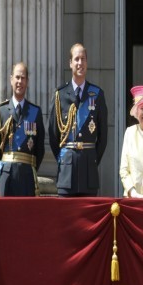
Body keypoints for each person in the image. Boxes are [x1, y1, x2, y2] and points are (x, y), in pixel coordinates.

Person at [48, 43, 108, 197]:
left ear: (87, 63)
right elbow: (54, 135)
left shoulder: (97, 94)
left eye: (83, 59)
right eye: (76, 59)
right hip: (66, 173)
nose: (80, 63)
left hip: (89, 172)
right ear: (70, 63)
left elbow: (103, 137)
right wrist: (64, 160)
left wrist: (92, 160)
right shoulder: (60, 95)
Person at [0, 62, 45, 196]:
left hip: (27, 176)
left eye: (23, 78)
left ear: (27, 81)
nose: (19, 81)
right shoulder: (1, 111)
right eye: (17, 77)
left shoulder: (35, 111)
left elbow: (40, 148)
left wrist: (30, 168)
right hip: (6, 175)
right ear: (11, 80)